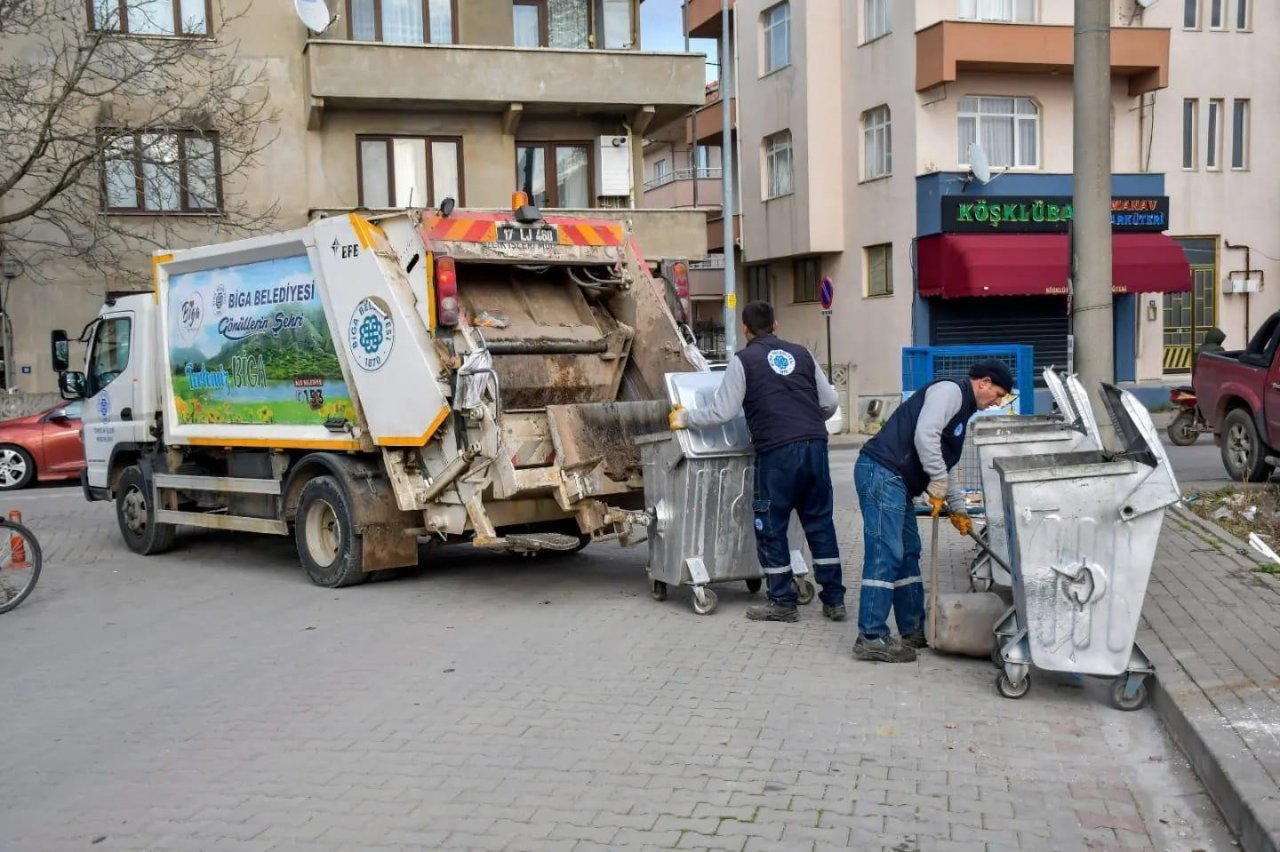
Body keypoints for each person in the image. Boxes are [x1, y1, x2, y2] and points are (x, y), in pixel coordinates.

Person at [668, 300, 845, 623]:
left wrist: (686, 418)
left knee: (772, 524)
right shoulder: (803, 354)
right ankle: (834, 601)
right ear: (776, 324)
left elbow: (723, 411)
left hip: (778, 452)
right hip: (815, 446)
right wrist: (808, 421)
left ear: (745, 329)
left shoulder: (744, 361)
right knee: (820, 522)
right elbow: (830, 400)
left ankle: (782, 601)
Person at [852, 359, 1013, 663]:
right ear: (984, 382)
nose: (998, 402)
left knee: (909, 551)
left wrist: (959, 509)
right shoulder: (950, 392)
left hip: (896, 480)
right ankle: (870, 636)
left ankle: (912, 629)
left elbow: (946, 464)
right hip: (882, 472)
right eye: (998, 393)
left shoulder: (964, 411)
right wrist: (936, 478)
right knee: (886, 552)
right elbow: (925, 435)